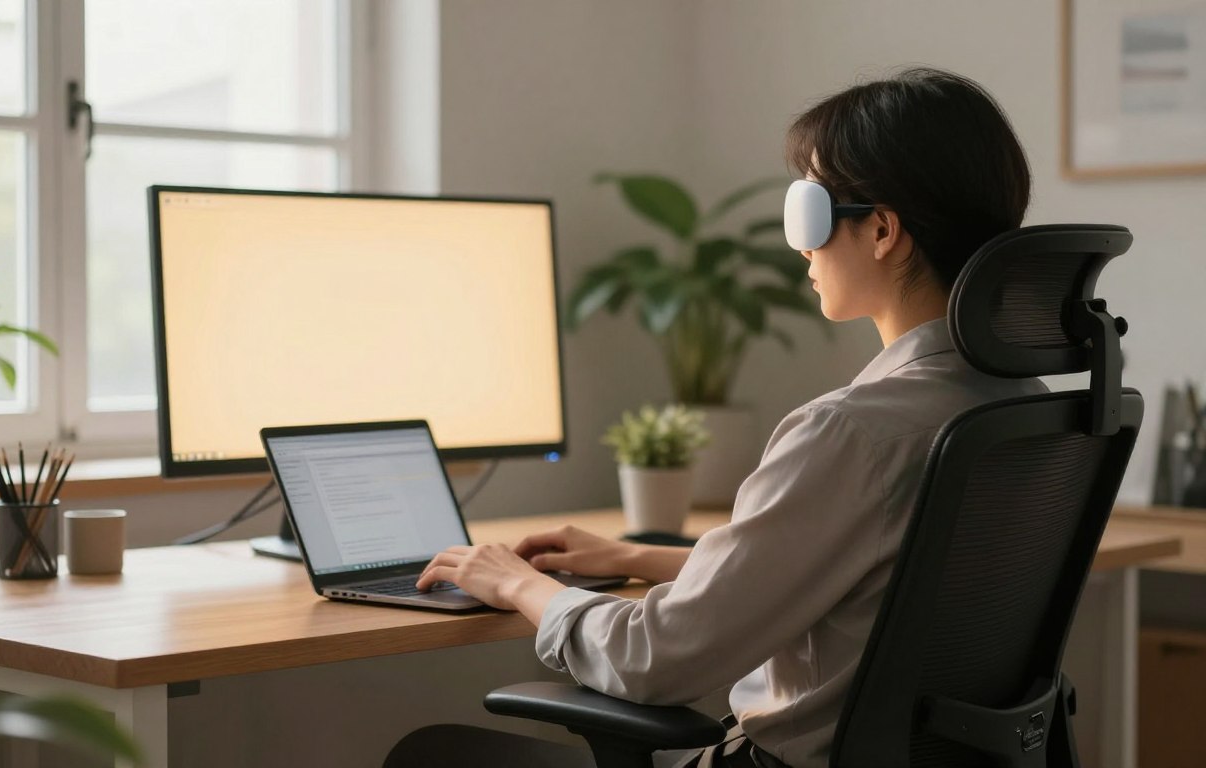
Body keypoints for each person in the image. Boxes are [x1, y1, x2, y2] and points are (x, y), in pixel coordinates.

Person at [385, 66, 1045, 768]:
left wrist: (519, 583)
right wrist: (635, 557)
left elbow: (655, 660)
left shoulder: (853, 431)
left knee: (432, 754)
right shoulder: (1019, 407)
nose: (799, 246)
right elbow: (871, 576)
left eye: (810, 210)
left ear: (882, 230)